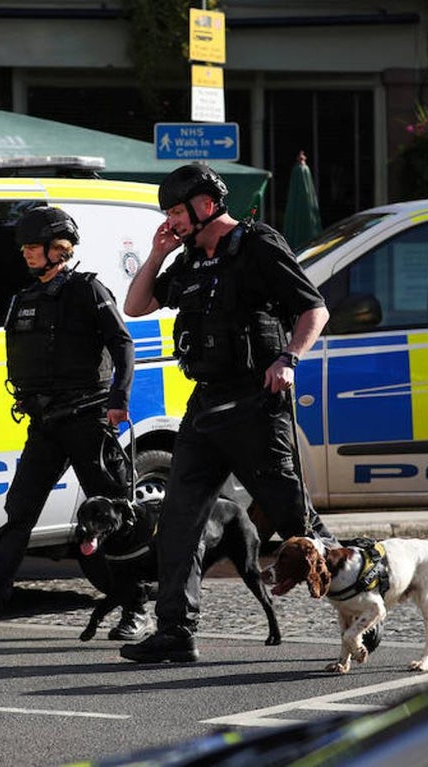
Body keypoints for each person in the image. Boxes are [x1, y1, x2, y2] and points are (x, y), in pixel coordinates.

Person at [118, 164, 335, 664]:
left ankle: (362, 601)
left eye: (177, 210)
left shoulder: (256, 243)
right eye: (168, 213)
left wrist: (289, 359)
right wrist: (157, 252)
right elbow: (137, 304)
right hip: (206, 404)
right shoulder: (190, 259)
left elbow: (314, 309)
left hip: (256, 402)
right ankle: (175, 631)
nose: (171, 220)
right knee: (177, 520)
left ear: (206, 203)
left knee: (294, 520)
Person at [0, 206, 143, 640]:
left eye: (34, 247)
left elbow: (123, 344)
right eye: (25, 247)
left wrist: (118, 399)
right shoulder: (24, 298)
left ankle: (136, 607)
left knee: (114, 516)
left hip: (88, 419)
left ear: (58, 250)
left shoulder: (88, 290)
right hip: (45, 423)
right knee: (19, 513)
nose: (26, 254)